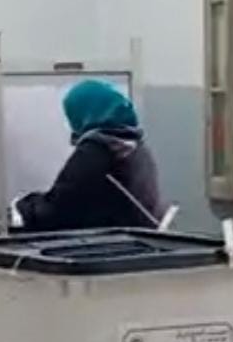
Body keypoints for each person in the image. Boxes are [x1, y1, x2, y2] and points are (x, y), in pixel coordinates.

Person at [12, 79, 161, 231]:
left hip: (108, 243)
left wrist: (22, 208)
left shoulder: (98, 151)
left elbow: (59, 210)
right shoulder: (137, 147)